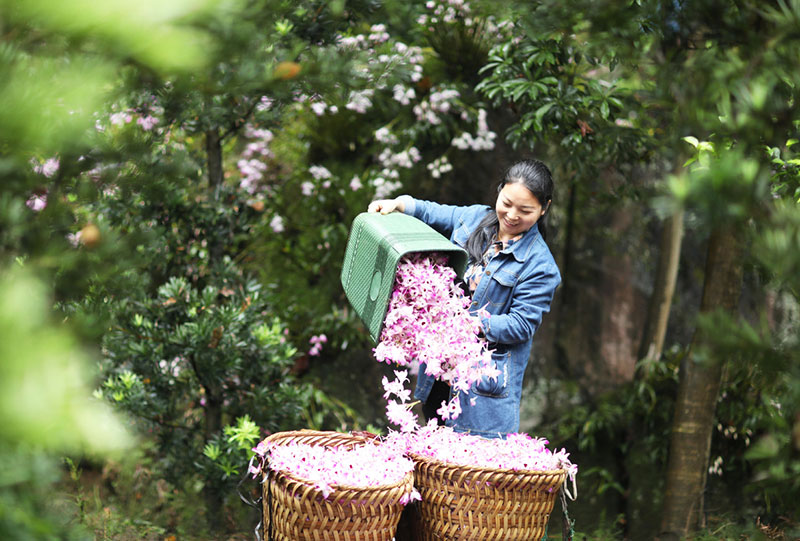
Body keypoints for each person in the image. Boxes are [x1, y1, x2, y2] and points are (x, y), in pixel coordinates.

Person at [367, 159, 561, 439]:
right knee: (435, 464)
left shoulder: (540, 267)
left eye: (525, 210)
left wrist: (469, 324)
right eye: (506, 202)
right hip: (439, 375)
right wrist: (399, 204)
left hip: (481, 391)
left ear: (544, 208)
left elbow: (521, 326)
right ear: (499, 191)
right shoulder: (474, 219)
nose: (512, 214)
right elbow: (433, 212)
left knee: (469, 477)